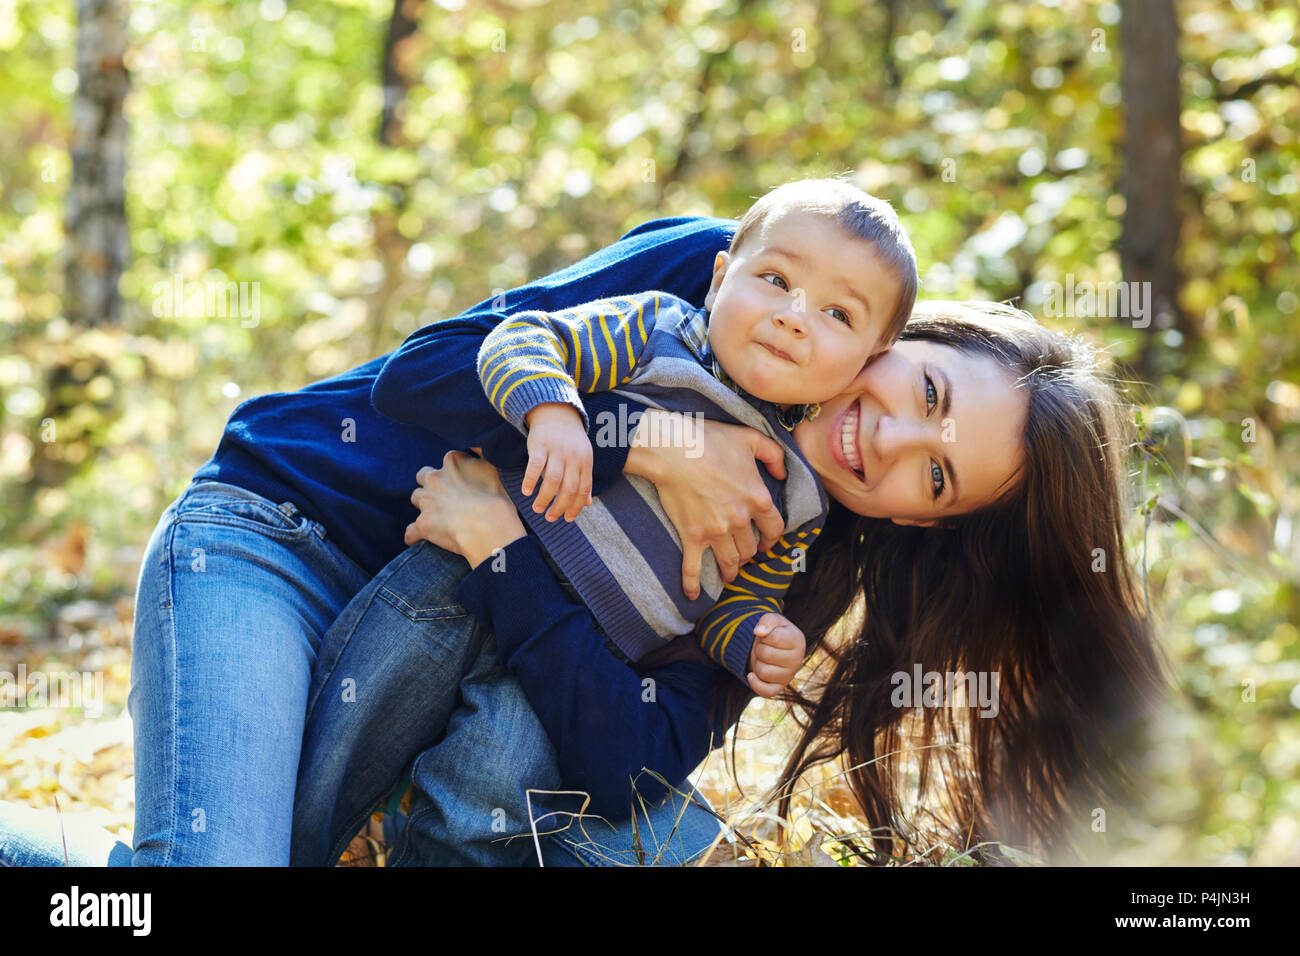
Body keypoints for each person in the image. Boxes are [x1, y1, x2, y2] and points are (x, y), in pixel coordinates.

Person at [477, 178, 918, 693]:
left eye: (838, 313)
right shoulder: (660, 333)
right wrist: (552, 413)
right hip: (477, 563)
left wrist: (756, 635)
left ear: (869, 359)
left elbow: (730, 601)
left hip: (579, 656)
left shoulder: (800, 495)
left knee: (487, 771)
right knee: (377, 702)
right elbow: (524, 338)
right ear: (719, 279)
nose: (793, 317)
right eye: (776, 279)